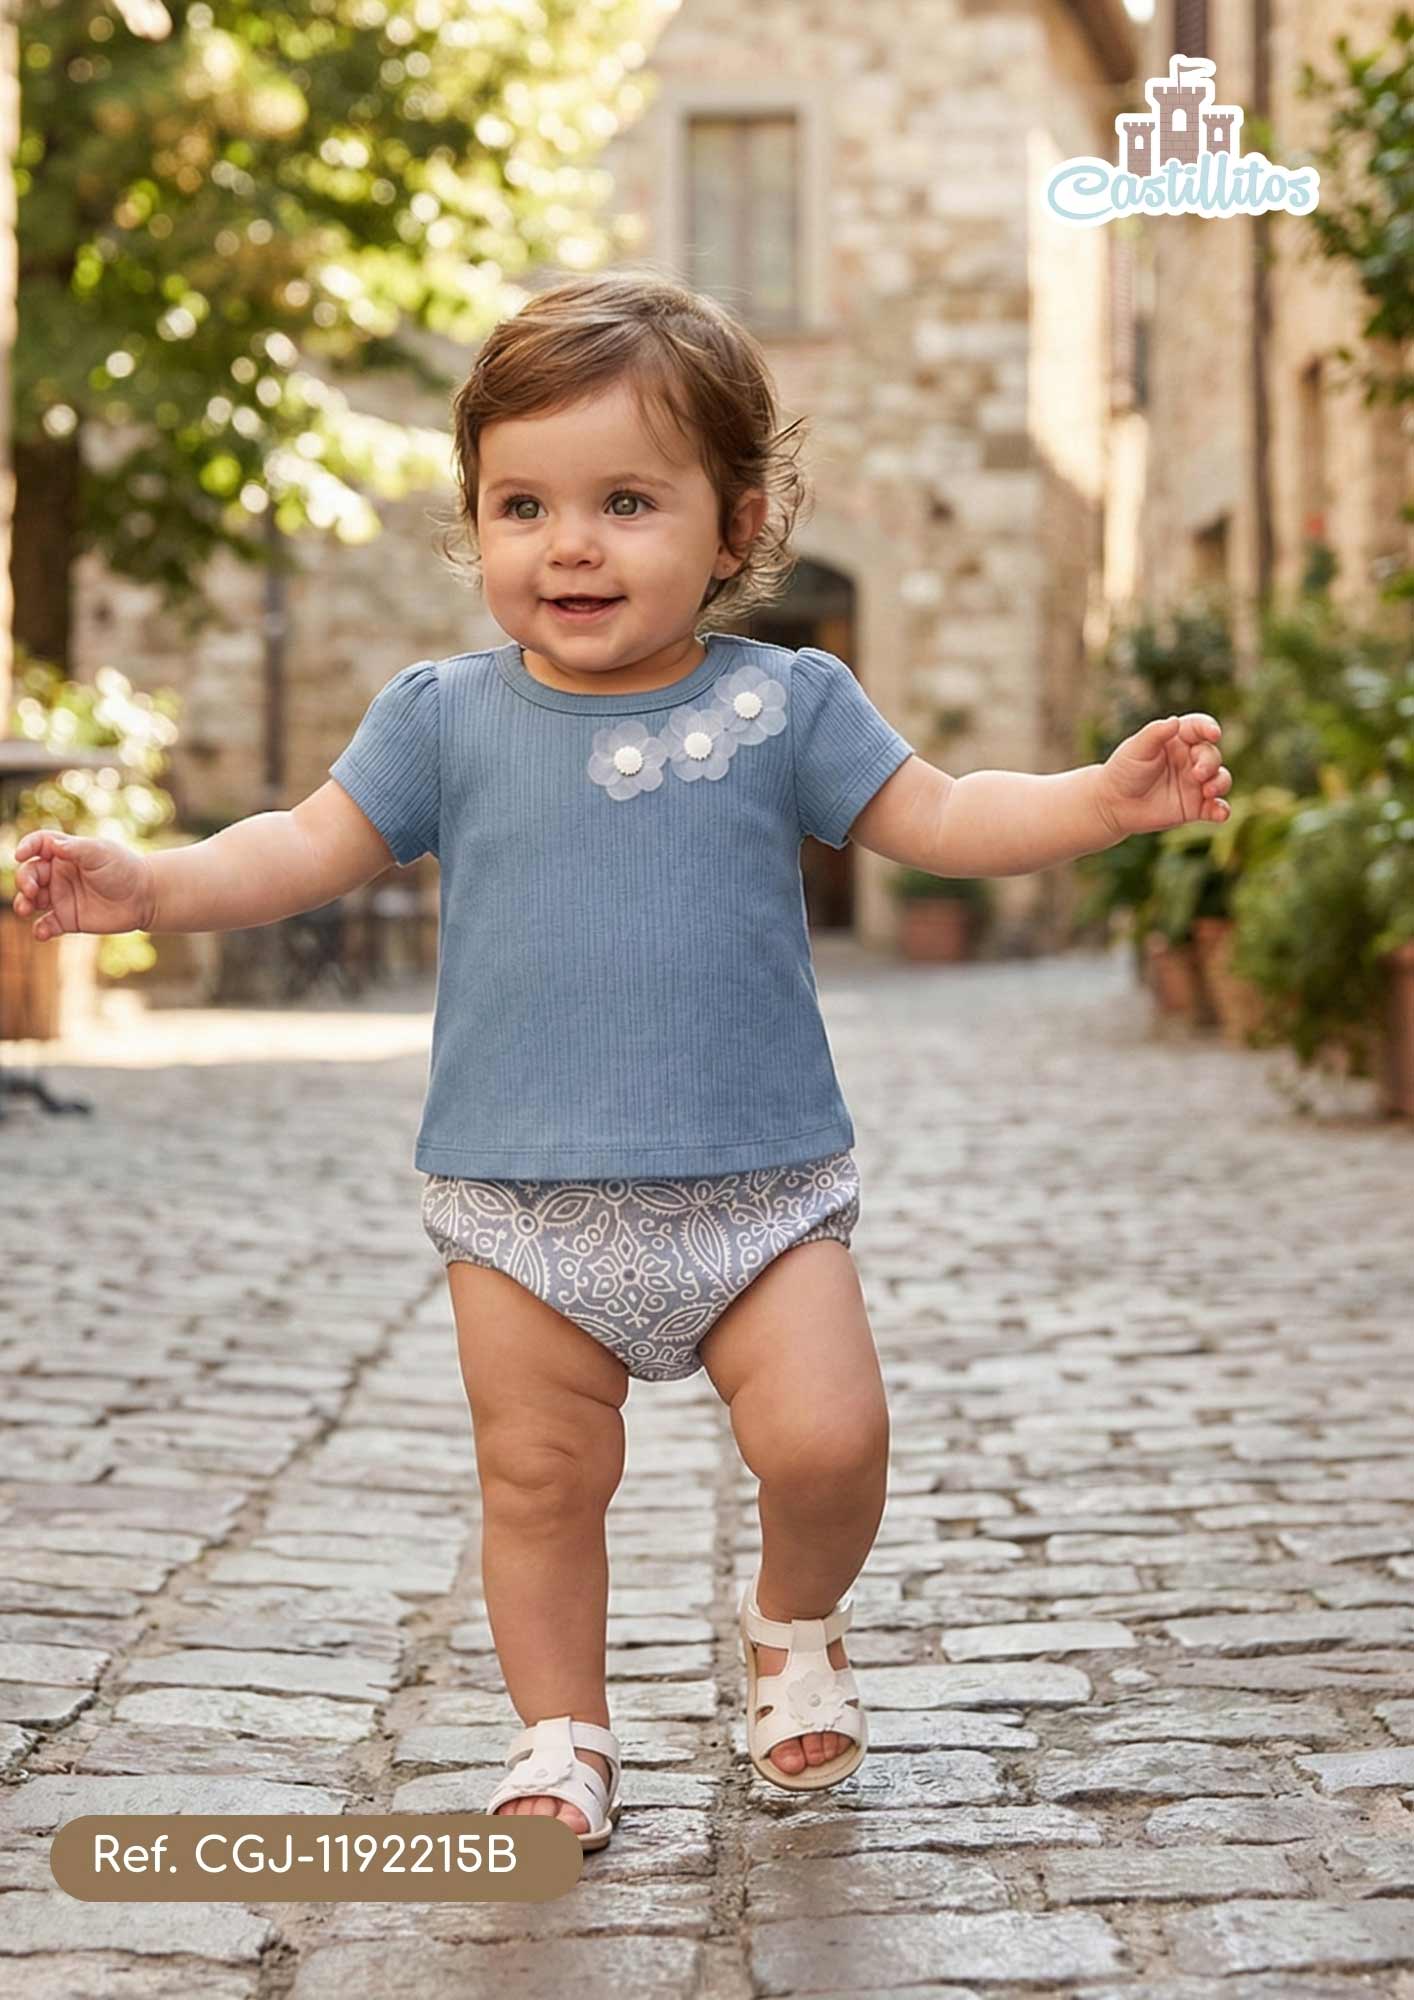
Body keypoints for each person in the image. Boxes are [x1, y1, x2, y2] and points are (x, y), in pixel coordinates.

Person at [10, 269, 1231, 1853]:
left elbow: (939, 814)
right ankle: (561, 1731)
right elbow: (299, 847)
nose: (568, 544)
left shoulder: (787, 701)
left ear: (736, 528)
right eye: (520, 505)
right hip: (521, 1203)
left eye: (626, 502)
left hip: (759, 1193)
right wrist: (150, 885)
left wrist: (1095, 802)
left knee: (830, 1440)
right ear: (475, 517)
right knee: (538, 1475)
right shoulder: (441, 717)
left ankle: (792, 1624)